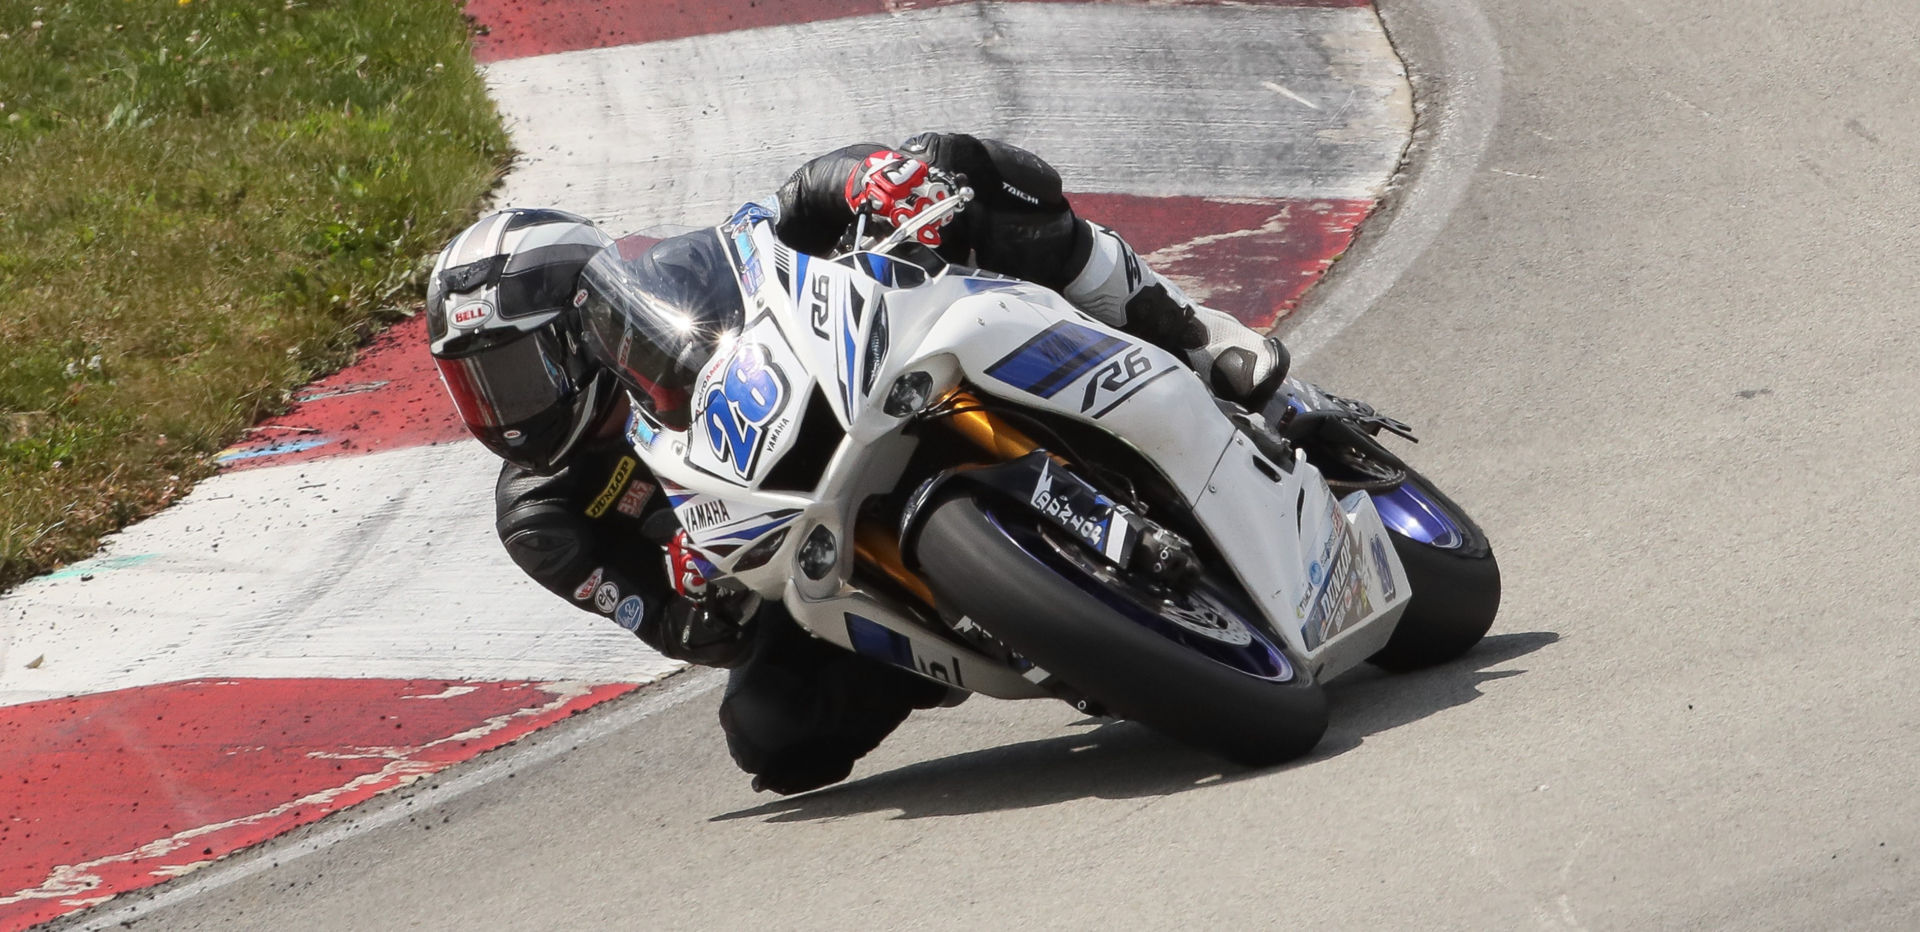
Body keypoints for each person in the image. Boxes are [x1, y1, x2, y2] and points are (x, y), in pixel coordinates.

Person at [425, 134, 1290, 794]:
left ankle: (1186, 333)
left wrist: (866, 177)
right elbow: (677, 630)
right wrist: (696, 592)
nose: (505, 411)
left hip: (866, 393)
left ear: (581, 326)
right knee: (769, 735)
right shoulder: (541, 518)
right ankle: (1000, 625)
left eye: (513, 373)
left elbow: (786, 208)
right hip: (793, 564)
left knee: (956, 164)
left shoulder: (676, 278)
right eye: (478, 386)